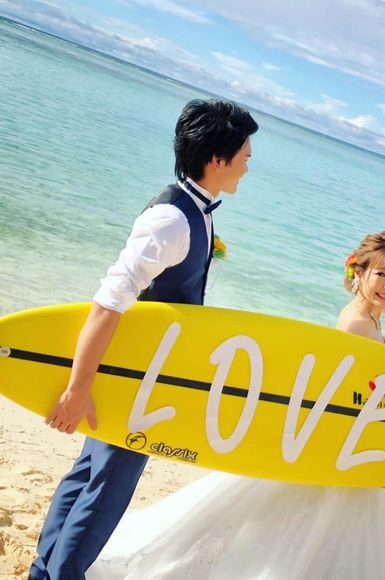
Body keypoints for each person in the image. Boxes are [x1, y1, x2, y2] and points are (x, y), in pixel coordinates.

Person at [86, 231, 385, 580]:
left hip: (360, 435)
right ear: (359, 273)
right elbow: (338, 395)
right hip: (347, 440)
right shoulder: (356, 325)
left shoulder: (370, 312)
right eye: (381, 274)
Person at [29, 99, 259, 580]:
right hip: (136, 378)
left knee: (90, 476)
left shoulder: (194, 209)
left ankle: (44, 572)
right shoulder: (172, 220)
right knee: (107, 488)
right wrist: (78, 389)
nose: (248, 164)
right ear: (217, 159)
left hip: (140, 371)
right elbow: (107, 303)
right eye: (244, 155)